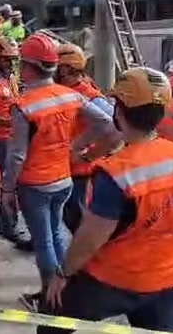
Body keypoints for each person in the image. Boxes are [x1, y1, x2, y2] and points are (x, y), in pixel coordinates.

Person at [38, 67, 173, 334]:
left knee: (52, 318)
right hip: (168, 281)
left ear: (119, 111)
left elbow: (90, 239)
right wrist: (164, 243)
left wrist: (63, 274)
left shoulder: (116, 172)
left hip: (111, 279)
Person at [3, 34, 118, 308]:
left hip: (35, 184)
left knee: (44, 241)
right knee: (56, 234)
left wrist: (7, 189)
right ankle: (66, 289)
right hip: (63, 180)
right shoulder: (71, 96)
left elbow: (17, 156)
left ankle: (51, 298)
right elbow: (108, 125)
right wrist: (75, 147)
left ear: (29, 67)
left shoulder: (25, 105)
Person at [54, 43, 116, 233]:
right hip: (65, 168)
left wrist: (83, 153)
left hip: (79, 172)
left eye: (55, 67)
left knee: (77, 221)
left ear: (66, 69)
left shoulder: (90, 96)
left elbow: (114, 131)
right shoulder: (65, 90)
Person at [0, 36, 33, 248]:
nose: (11, 64)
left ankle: (2, 222)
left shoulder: (10, 79)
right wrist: (13, 122)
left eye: (13, 60)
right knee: (10, 182)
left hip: (10, 136)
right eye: (7, 60)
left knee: (8, 181)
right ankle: (9, 226)